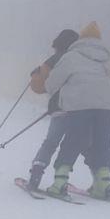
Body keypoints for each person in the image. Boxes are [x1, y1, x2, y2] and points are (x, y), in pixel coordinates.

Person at [45, 23, 110, 199]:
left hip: (80, 105)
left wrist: (52, 90)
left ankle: (59, 183)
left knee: (74, 140)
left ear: (81, 38)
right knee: (102, 142)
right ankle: (103, 184)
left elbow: (53, 82)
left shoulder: (72, 56)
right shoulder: (105, 58)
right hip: (105, 106)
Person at [23, 28, 79, 194]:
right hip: (80, 110)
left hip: (59, 108)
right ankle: (62, 179)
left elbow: (39, 87)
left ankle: (36, 174)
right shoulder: (82, 59)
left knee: (50, 142)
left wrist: (35, 75)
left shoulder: (53, 60)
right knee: (74, 145)